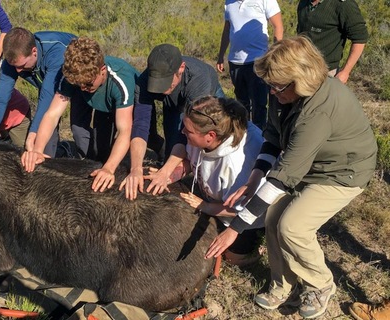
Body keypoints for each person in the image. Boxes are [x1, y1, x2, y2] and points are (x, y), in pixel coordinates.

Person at [205, 36, 377, 319]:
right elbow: (273, 135)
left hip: (342, 171)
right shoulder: (286, 92)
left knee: (293, 226)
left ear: (302, 79)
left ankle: (320, 283)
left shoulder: (317, 111)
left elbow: (283, 177)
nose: (271, 93)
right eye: (269, 85)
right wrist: (254, 178)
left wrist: (235, 227)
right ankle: (283, 283)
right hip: (307, 163)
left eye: (277, 87)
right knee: (273, 216)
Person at [144, 96, 265, 265]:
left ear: (210, 136)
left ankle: (260, 246)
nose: (183, 133)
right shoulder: (203, 138)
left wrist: (205, 206)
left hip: (246, 215)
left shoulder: (236, 165)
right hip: (214, 197)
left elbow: (243, 208)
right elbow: (193, 161)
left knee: (231, 259)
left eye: (188, 131)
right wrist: (170, 175)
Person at [21, 37, 136, 192]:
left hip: (124, 103)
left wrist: (109, 168)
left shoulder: (120, 81)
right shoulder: (79, 79)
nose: (83, 89)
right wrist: (38, 150)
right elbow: (52, 115)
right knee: (89, 139)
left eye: (88, 84)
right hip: (99, 101)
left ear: (102, 71)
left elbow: (125, 130)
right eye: (78, 84)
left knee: (115, 145)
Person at [120, 43, 224, 200]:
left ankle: (213, 191)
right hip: (172, 103)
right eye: (157, 84)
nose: (161, 88)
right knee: (171, 151)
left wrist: (166, 171)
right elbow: (141, 126)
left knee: (212, 144)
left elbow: (187, 132)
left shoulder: (198, 78)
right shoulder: (143, 82)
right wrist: (136, 169)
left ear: (181, 68)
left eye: (166, 82)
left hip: (205, 98)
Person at [0, 27, 76, 159]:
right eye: (14, 67)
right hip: (47, 83)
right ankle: (59, 154)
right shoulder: (12, 63)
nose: (18, 71)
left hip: (77, 79)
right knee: (43, 144)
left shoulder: (56, 52)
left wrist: (33, 133)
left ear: (34, 52)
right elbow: (0, 99)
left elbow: (46, 97)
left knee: (80, 132)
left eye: (22, 66)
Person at [216, 0, 283, 129]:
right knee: (241, 104)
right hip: (235, 61)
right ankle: (244, 135)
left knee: (259, 104)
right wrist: (221, 56)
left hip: (258, 60)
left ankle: (259, 137)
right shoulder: (229, 2)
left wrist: (276, 54)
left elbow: (278, 26)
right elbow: (227, 28)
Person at [297, 0, 368, 84]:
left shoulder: (344, 4)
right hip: (300, 68)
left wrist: (345, 72)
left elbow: (360, 39)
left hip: (325, 73)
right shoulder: (304, 3)